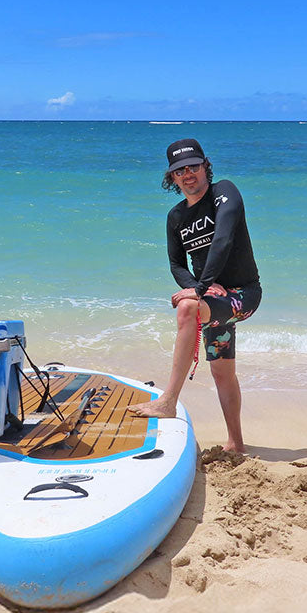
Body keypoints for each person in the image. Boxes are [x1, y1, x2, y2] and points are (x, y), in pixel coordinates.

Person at [130, 137, 262, 453]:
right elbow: (176, 264)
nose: (188, 174)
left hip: (243, 295)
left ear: (205, 167)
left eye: (193, 167)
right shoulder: (176, 217)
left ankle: (169, 401)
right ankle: (236, 444)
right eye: (179, 171)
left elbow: (224, 240)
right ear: (172, 177)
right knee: (222, 372)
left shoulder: (224, 193)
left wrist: (200, 287)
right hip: (214, 300)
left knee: (187, 307)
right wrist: (199, 285)